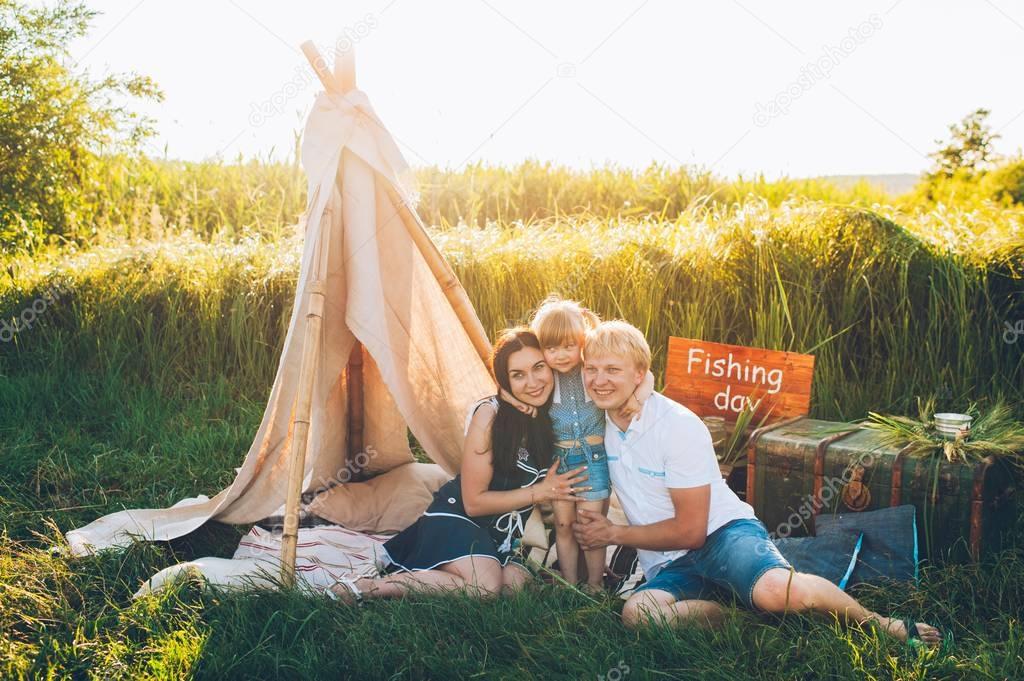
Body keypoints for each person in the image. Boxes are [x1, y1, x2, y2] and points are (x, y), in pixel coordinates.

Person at [571, 320, 943, 647]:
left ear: (640, 375)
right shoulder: (594, 426)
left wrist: (613, 534)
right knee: (639, 616)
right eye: (592, 369)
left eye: (613, 370)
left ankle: (881, 623)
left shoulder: (675, 426)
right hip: (669, 563)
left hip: (722, 535)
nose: (599, 380)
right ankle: (737, 614)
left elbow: (691, 531)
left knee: (775, 590)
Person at [329, 328, 588, 603]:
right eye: (518, 375)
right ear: (504, 380)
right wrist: (541, 492)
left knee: (513, 588)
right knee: (485, 588)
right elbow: (473, 502)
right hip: (460, 517)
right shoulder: (490, 415)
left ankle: (448, 575)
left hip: (503, 535)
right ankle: (374, 587)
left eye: (539, 368)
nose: (533, 382)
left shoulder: (552, 415)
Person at [500, 296, 653, 592]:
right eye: (551, 348)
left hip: (593, 459)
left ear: (582, 340)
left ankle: (594, 584)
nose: (560, 355)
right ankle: (570, 584)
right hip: (560, 462)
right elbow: (510, 388)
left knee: (590, 523)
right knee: (563, 525)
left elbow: (647, 376)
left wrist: (637, 398)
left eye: (569, 346)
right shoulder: (544, 378)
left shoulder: (591, 371)